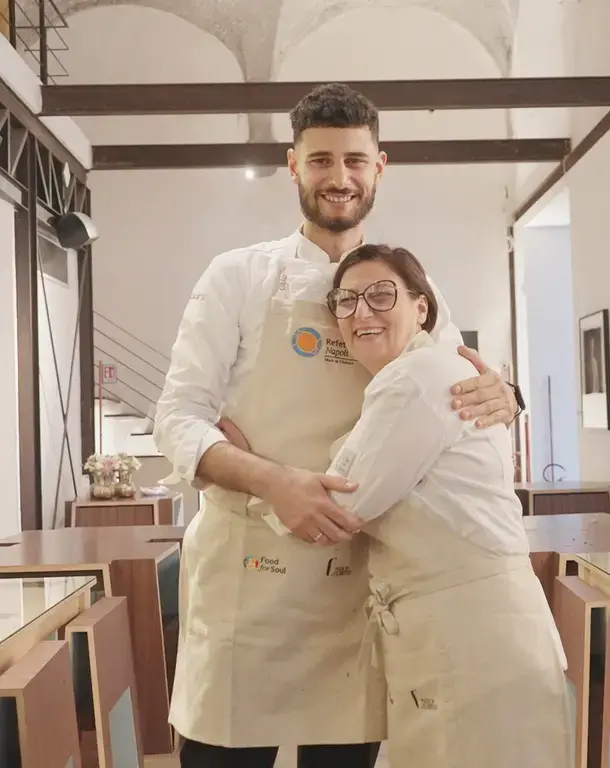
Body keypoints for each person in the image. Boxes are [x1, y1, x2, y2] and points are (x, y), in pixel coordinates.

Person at [154, 82, 522, 768]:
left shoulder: (414, 283)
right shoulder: (237, 277)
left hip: (361, 581)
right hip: (248, 584)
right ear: (293, 165)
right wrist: (273, 480)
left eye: (355, 160)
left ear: (380, 166)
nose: (339, 178)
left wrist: (506, 391)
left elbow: (458, 384)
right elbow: (176, 417)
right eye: (320, 160)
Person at [325, 244, 570, 767]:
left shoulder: (416, 378)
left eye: (380, 295)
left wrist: (248, 478)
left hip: (470, 633)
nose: (361, 312)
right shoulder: (413, 377)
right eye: (345, 301)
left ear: (422, 306)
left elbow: (343, 506)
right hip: (465, 626)